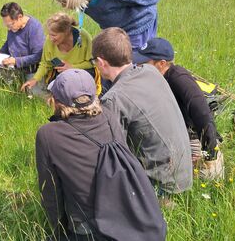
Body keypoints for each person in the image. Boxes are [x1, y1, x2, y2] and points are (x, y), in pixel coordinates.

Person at [36, 69, 165, 240]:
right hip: (126, 216)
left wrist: (57, 232)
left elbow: (50, 191)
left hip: (87, 229)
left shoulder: (48, 134)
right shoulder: (110, 117)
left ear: (57, 101)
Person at [92, 27, 192, 195]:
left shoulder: (114, 99)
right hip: (183, 174)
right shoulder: (151, 71)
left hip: (163, 187)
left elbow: (114, 154)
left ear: (101, 63)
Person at [132, 37, 224, 179]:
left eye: (144, 62)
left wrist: (209, 153)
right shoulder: (155, 77)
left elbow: (203, 114)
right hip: (173, 135)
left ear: (161, 64)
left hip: (192, 139)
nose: (138, 65)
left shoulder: (179, 79)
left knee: (198, 179)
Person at [50, 0, 159, 49]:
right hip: (117, 29)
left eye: (65, 1)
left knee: (133, 67)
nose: (64, 6)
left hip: (138, 25)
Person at [21, 12, 100, 95]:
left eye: (54, 35)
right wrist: (34, 79)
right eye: (49, 34)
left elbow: (93, 63)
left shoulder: (83, 37)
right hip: (61, 74)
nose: (50, 38)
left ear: (66, 32)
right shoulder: (49, 41)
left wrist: (72, 67)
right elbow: (45, 63)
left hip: (83, 73)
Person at [0, 2, 45, 86]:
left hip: (32, 69)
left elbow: (38, 56)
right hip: (13, 66)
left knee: (32, 92)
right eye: (6, 25)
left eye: (10, 25)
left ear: (19, 17)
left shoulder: (34, 28)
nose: (8, 28)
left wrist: (16, 61)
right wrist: (0, 52)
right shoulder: (13, 27)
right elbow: (10, 41)